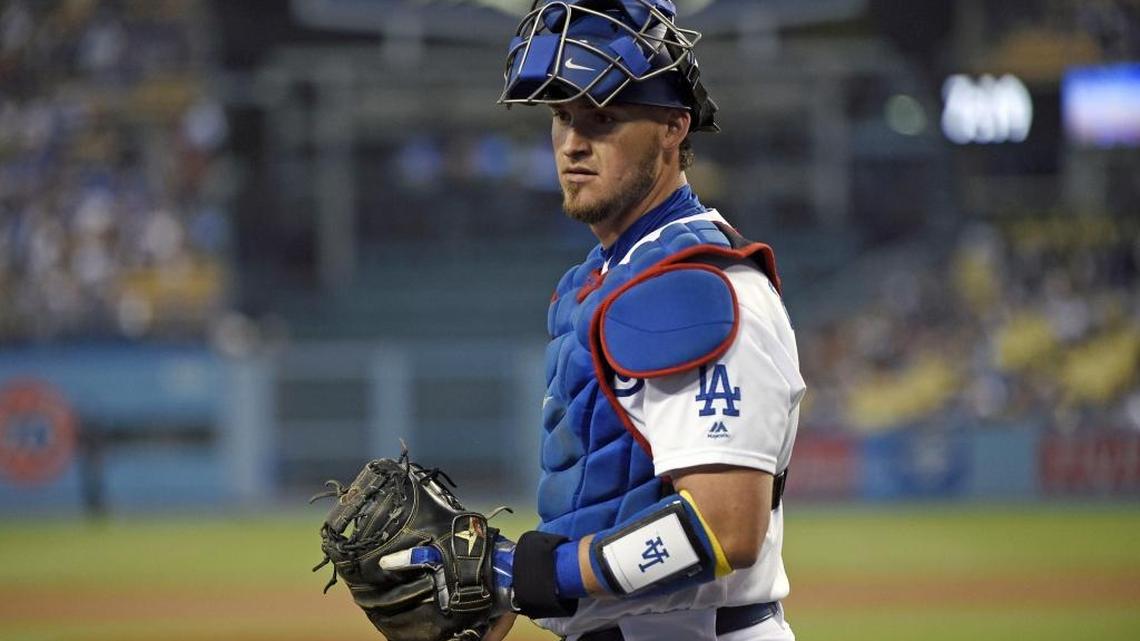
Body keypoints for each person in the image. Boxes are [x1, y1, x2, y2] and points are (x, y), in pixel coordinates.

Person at [384, 2, 804, 639]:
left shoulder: (691, 288)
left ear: (673, 128)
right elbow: (603, 501)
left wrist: (528, 574)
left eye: (603, 118)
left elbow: (725, 528)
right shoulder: (607, 278)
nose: (573, 143)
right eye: (562, 116)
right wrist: (501, 594)